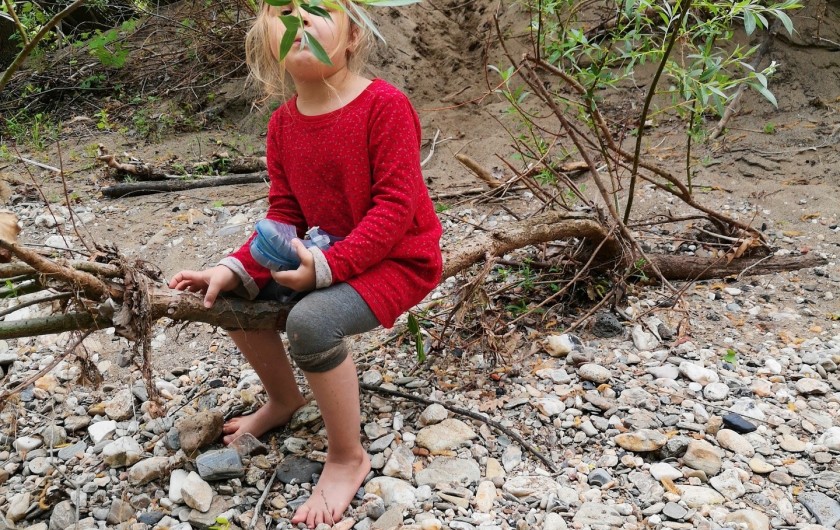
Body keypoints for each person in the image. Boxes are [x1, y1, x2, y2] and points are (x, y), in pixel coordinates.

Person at [167, 1, 443, 527]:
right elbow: (285, 214)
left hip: (399, 259)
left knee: (311, 321)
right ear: (268, 36)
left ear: (355, 36)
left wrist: (326, 267)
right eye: (285, 9)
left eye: (318, 8)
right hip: (324, 251)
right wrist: (233, 267)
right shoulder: (283, 124)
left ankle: (347, 457)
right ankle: (283, 398)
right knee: (228, 296)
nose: (300, 20)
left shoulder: (384, 105)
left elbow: (394, 207)